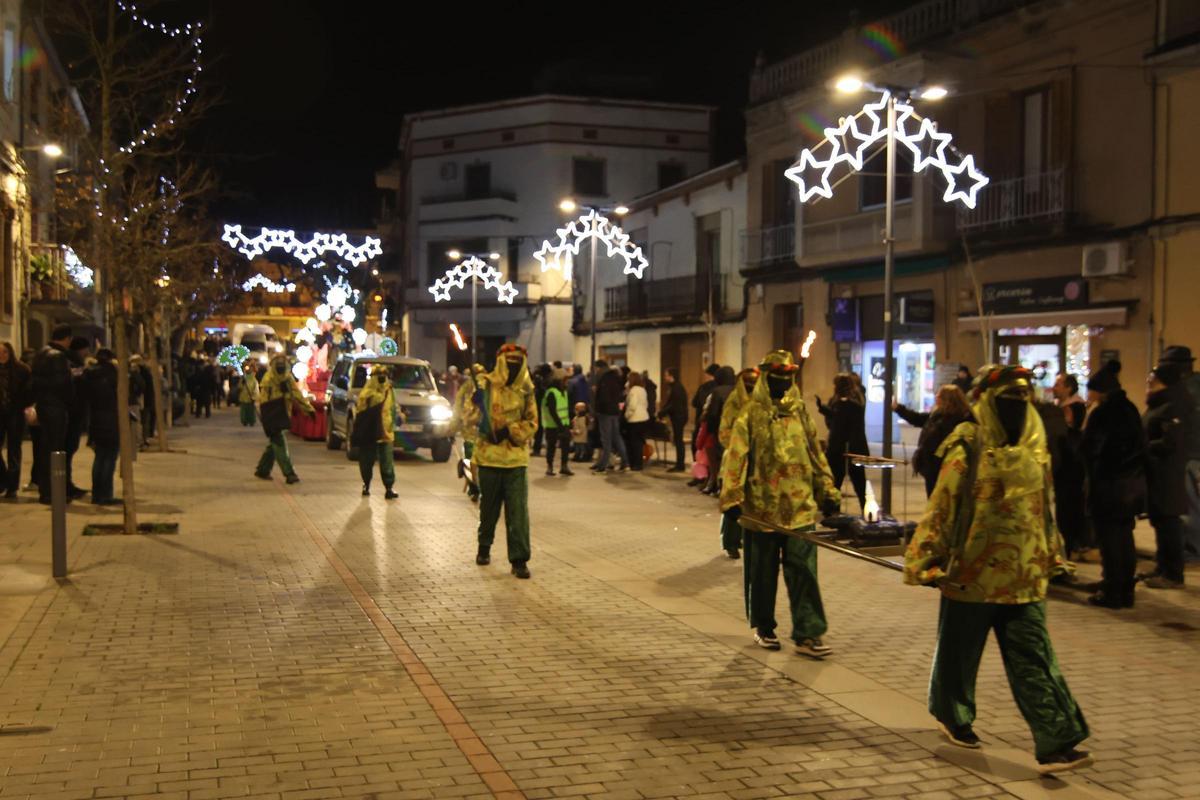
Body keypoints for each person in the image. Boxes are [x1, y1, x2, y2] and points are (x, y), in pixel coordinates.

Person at [904, 364, 1091, 775]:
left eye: (1022, 400)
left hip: (1024, 575)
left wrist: (1052, 554)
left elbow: (1045, 506)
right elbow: (944, 502)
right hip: (971, 573)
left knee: (1035, 657)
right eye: (1007, 401)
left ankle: (1056, 739)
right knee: (959, 653)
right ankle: (953, 715)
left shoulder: (1033, 446)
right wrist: (925, 556)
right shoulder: (968, 442)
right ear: (986, 402)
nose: (1016, 409)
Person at [721, 351, 840, 657]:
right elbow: (736, 455)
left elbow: (815, 452)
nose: (783, 385)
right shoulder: (750, 415)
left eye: (788, 379)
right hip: (762, 510)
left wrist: (827, 488)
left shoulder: (800, 413)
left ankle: (808, 632)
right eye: (778, 379)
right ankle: (764, 626)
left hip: (800, 508)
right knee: (762, 572)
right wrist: (732, 495)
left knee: (804, 571)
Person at [456, 344, 538, 579]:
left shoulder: (526, 391)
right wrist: (476, 405)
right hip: (489, 458)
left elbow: (532, 422)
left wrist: (510, 431)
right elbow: (468, 418)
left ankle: (519, 559)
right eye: (509, 361)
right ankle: (484, 547)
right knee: (488, 508)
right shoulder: (485, 385)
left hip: (515, 460)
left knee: (518, 513)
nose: (513, 366)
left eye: (517, 361)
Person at [1081, 360, 1146, 609]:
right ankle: (1125, 588)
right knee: (1124, 538)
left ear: (1101, 391)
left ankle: (1112, 591)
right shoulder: (1129, 408)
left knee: (1109, 541)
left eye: (1092, 390)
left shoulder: (1102, 414)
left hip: (1108, 487)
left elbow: (1092, 450)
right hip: (1130, 486)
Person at [1140, 363, 1191, 588]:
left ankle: (1173, 573)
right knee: (1159, 520)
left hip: (1167, 473)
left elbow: (1171, 442)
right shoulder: (1158, 404)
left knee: (1169, 521)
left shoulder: (1172, 406)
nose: (1148, 384)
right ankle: (1162, 566)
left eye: (1153, 381)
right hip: (1155, 472)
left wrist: (1144, 447)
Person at [1157, 346, 1200, 561]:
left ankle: (1191, 550)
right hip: (1190, 454)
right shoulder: (1191, 386)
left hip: (1190, 455)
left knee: (1189, 507)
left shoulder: (1185, 391)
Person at [892, 384, 974, 498]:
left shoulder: (959, 419)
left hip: (944, 468)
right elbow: (918, 418)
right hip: (932, 468)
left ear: (947, 399)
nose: (936, 397)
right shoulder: (937, 415)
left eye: (939, 395)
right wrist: (898, 409)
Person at [717, 367, 759, 559]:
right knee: (733, 500)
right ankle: (730, 541)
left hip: (757, 462)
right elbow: (724, 431)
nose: (751, 385)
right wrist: (738, 446)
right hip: (736, 460)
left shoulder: (761, 403)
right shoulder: (734, 402)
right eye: (748, 382)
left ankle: (745, 537)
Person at [31, 325, 75, 505]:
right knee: (56, 449)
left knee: (44, 449)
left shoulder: (41, 353)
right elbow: (62, 384)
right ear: (67, 339)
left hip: (44, 405)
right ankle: (53, 492)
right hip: (55, 407)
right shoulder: (58, 356)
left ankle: (46, 489)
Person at [254, 355, 314, 484]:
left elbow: (296, 394)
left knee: (274, 444)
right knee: (279, 443)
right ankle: (289, 473)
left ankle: (262, 470)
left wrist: (308, 409)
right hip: (273, 415)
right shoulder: (270, 379)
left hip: (281, 414)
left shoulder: (285, 378)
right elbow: (264, 400)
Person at [816, 373, 869, 511]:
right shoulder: (842, 402)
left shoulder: (852, 403)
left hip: (847, 448)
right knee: (837, 482)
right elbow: (835, 418)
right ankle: (834, 510)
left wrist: (827, 410)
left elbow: (840, 420)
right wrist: (824, 409)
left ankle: (863, 508)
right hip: (843, 448)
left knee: (857, 482)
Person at [353, 364, 399, 499]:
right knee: (366, 461)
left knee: (387, 462)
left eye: (384, 375)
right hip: (370, 432)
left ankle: (389, 488)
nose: (382, 378)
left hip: (386, 432)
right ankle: (366, 484)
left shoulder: (389, 390)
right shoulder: (367, 393)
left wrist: (398, 417)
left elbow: (393, 407)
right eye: (379, 376)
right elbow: (360, 410)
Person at [82, 348, 121, 506]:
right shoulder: (113, 373)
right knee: (109, 458)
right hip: (111, 419)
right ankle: (105, 495)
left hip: (95, 420)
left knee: (99, 458)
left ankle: (96, 494)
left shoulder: (89, 374)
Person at [0, 342, 31, 499]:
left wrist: (22, 406)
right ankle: (3, 479)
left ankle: (12, 487)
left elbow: (30, 391)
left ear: (10, 353)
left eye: (5, 352)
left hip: (15, 414)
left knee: (13, 450)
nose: (2, 355)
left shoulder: (21, 370)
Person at [701, 367, 736, 495]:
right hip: (737, 430)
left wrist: (710, 430)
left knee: (719, 459)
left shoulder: (717, 391)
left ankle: (719, 486)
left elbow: (713, 414)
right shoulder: (738, 390)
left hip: (720, 429)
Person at [64, 336, 90, 497]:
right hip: (73, 413)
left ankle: (66, 484)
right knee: (67, 450)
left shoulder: (69, 361)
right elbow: (80, 386)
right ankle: (65, 486)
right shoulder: (74, 363)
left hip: (71, 412)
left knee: (67, 452)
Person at [592, 359, 628, 472]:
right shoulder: (616, 377)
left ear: (599, 367)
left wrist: (597, 407)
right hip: (615, 411)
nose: (595, 371)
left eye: (595, 368)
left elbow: (603, 397)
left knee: (606, 439)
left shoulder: (603, 378)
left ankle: (603, 466)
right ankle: (625, 463)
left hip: (605, 412)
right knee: (617, 437)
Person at [657, 367, 689, 472]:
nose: (664, 377)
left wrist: (661, 413)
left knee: (679, 441)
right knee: (677, 440)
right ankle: (679, 464)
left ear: (671, 376)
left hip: (679, 417)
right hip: (677, 417)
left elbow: (673, 405)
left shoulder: (677, 388)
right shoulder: (674, 387)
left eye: (666, 375)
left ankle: (680, 465)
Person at [540, 374, 573, 476]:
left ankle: (564, 466)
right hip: (552, 425)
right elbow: (552, 410)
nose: (567, 383)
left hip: (564, 424)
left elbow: (566, 408)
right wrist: (560, 424)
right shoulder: (551, 393)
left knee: (565, 446)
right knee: (551, 446)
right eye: (565, 382)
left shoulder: (564, 392)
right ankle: (549, 467)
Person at [623, 371, 650, 471]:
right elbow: (646, 404)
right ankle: (639, 464)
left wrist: (627, 415)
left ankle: (636, 464)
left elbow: (632, 406)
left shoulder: (633, 390)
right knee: (639, 442)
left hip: (635, 419)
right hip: (644, 418)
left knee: (634, 443)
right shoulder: (643, 390)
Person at [691, 364, 719, 457]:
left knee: (698, 443)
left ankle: (698, 464)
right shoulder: (720, 388)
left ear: (709, 375)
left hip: (701, 420)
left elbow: (694, 403)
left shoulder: (703, 387)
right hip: (714, 423)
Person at [237, 362, 258, 426]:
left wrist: (254, 397)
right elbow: (239, 387)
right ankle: (244, 421)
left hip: (250, 397)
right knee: (244, 410)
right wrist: (242, 383)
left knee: (251, 410)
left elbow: (255, 389)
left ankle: (251, 421)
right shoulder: (243, 378)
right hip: (243, 397)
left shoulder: (254, 379)